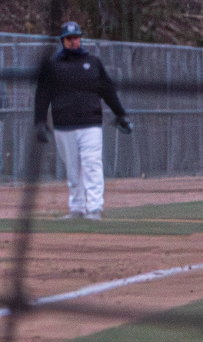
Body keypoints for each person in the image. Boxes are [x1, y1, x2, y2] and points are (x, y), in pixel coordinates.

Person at [33, 21, 131, 220]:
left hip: (90, 123)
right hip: (63, 125)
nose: (73, 41)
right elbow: (42, 95)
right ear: (63, 41)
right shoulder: (53, 66)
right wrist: (40, 121)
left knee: (92, 164)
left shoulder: (93, 63)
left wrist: (121, 114)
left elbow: (108, 90)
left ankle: (94, 208)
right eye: (69, 38)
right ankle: (76, 208)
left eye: (76, 37)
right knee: (73, 169)